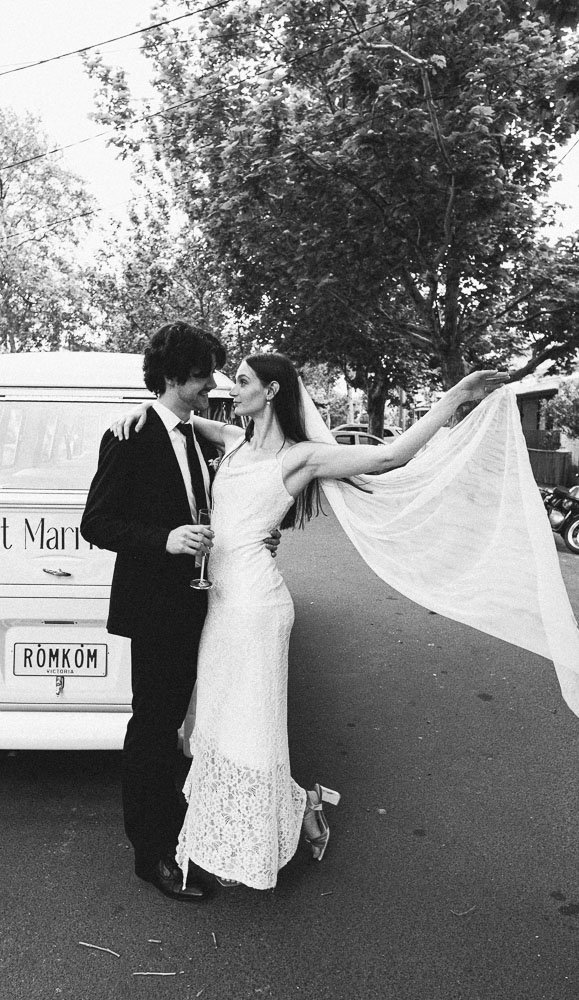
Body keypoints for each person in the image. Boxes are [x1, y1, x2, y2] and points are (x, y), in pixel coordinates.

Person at [113, 352, 508, 890]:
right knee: (219, 720)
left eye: (245, 381)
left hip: (255, 606)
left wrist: (456, 395)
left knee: (251, 725)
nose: (233, 388)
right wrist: (133, 412)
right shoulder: (232, 441)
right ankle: (297, 805)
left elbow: (390, 457)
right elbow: (170, 415)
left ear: (273, 391)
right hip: (217, 603)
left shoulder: (302, 458)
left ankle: (250, 844)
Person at [80, 322, 281, 903]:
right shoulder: (129, 436)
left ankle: (186, 832)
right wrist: (164, 539)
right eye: (201, 377)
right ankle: (151, 854)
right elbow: (96, 522)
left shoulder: (194, 431)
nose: (211, 386)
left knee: (186, 726)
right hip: (156, 609)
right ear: (174, 378)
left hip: (202, 603)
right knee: (154, 727)